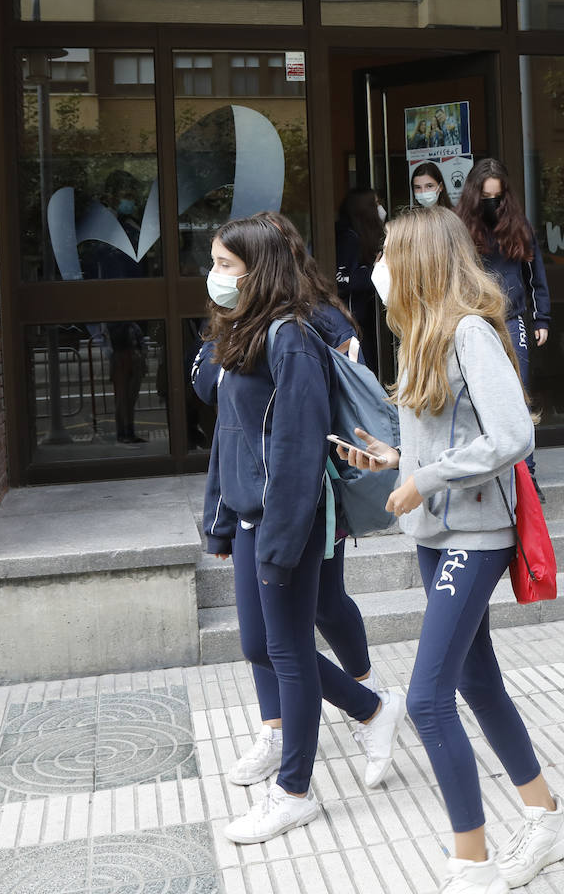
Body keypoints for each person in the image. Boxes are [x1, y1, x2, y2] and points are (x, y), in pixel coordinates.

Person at [338, 206, 564, 893]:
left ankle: (471, 863)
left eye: (387, 253)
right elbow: (444, 437)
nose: (378, 266)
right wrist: (395, 458)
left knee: (428, 698)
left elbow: (511, 437)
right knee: (474, 681)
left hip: (476, 533)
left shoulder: (469, 332)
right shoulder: (421, 336)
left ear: (418, 260)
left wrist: (428, 478)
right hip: (438, 534)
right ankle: (546, 818)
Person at [200, 215, 403, 845]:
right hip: (251, 517)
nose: (216, 277)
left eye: (227, 266)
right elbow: (229, 437)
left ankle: (293, 792)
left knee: (287, 653)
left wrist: (282, 542)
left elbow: (296, 447)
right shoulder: (240, 332)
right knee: (261, 647)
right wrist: (221, 515)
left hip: (287, 523)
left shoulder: (292, 337)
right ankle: (372, 708)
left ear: (257, 271)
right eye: (216, 263)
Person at [456, 157, 551, 498]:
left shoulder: (518, 225)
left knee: (519, 398)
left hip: (512, 320)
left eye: (497, 196)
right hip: (472, 322)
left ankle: (527, 475)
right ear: (474, 195)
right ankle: (487, 473)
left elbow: (534, 275)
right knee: (476, 398)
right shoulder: (459, 227)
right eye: (486, 197)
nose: (492, 204)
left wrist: (542, 318)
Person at [335, 188, 385, 364]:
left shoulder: (361, 237)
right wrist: (376, 270)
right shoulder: (348, 239)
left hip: (366, 318)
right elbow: (343, 279)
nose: (381, 208)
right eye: (376, 204)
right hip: (354, 322)